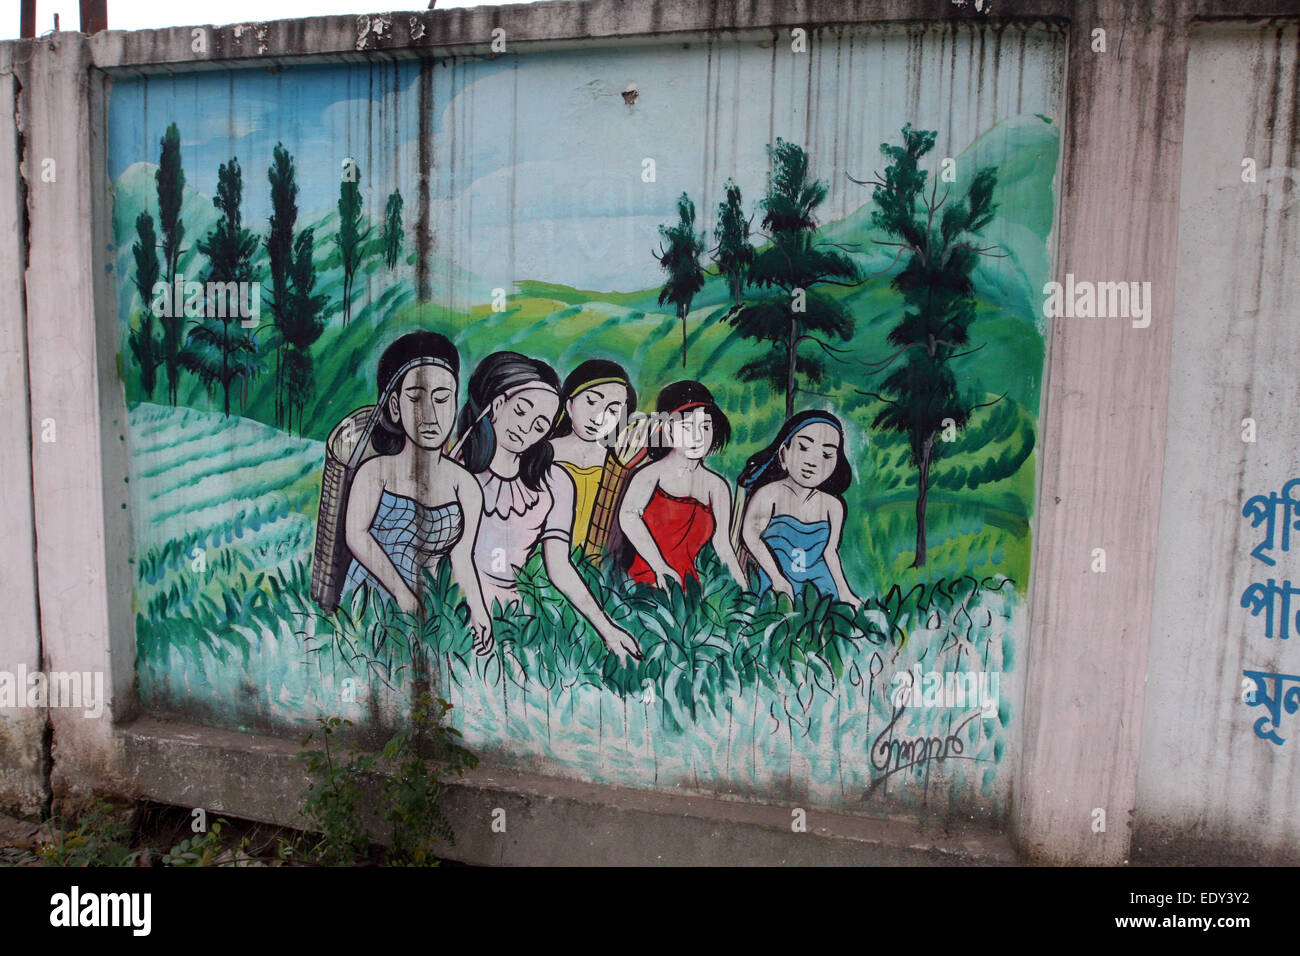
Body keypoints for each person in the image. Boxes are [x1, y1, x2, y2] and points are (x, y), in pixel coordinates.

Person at [455, 351, 643, 663]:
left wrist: (608, 628)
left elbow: (560, 566)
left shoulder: (554, 481)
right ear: (498, 405)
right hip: (457, 603)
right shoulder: (461, 472)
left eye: (540, 423)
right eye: (521, 411)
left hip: (518, 615)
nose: (525, 428)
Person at [343, 332, 493, 653]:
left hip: (427, 605)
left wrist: (478, 611)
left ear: (455, 404)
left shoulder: (465, 485)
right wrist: (400, 592)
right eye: (415, 397)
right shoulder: (376, 472)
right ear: (395, 406)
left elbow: (461, 557)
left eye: (442, 398)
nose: (430, 414)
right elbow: (357, 536)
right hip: (372, 594)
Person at [618, 381, 746, 589]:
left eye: (704, 427)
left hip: (689, 588)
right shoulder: (650, 475)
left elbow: (723, 545)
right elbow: (628, 517)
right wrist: (659, 567)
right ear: (668, 430)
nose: (697, 437)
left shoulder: (717, 486)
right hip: (642, 581)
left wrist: (745, 592)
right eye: (686, 427)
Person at [736, 410, 862, 608]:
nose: (813, 461)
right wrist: (777, 578)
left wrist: (845, 592)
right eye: (804, 447)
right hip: (776, 578)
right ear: (784, 454)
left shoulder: (833, 505)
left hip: (820, 581)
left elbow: (830, 552)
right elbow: (751, 537)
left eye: (827, 454)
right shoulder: (769, 494)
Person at [549, 360, 637, 556]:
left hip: (597, 567)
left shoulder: (618, 467)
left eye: (613, 410)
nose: (598, 417)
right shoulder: (541, 454)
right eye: (591, 401)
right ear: (569, 403)